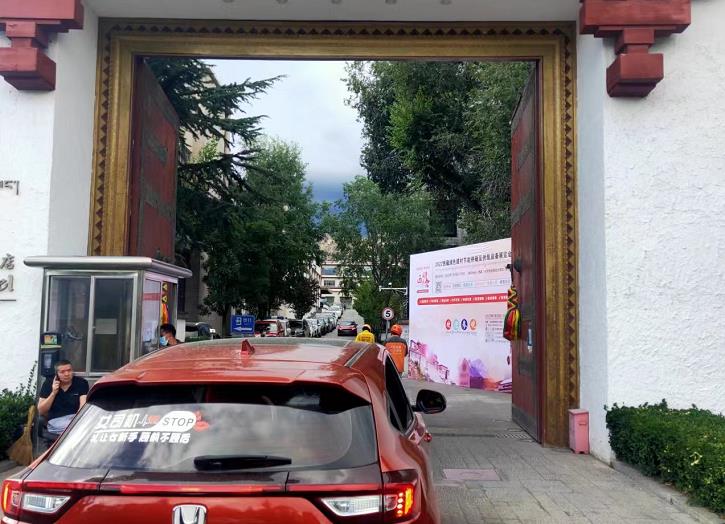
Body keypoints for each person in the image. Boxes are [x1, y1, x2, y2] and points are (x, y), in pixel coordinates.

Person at [38, 360, 89, 436]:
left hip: (75, 418)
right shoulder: (48, 384)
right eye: (62, 372)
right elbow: (41, 410)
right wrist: (53, 393)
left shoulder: (81, 382)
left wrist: (76, 420)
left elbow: (83, 406)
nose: (67, 374)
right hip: (56, 420)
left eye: (69, 370)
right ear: (56, 374)